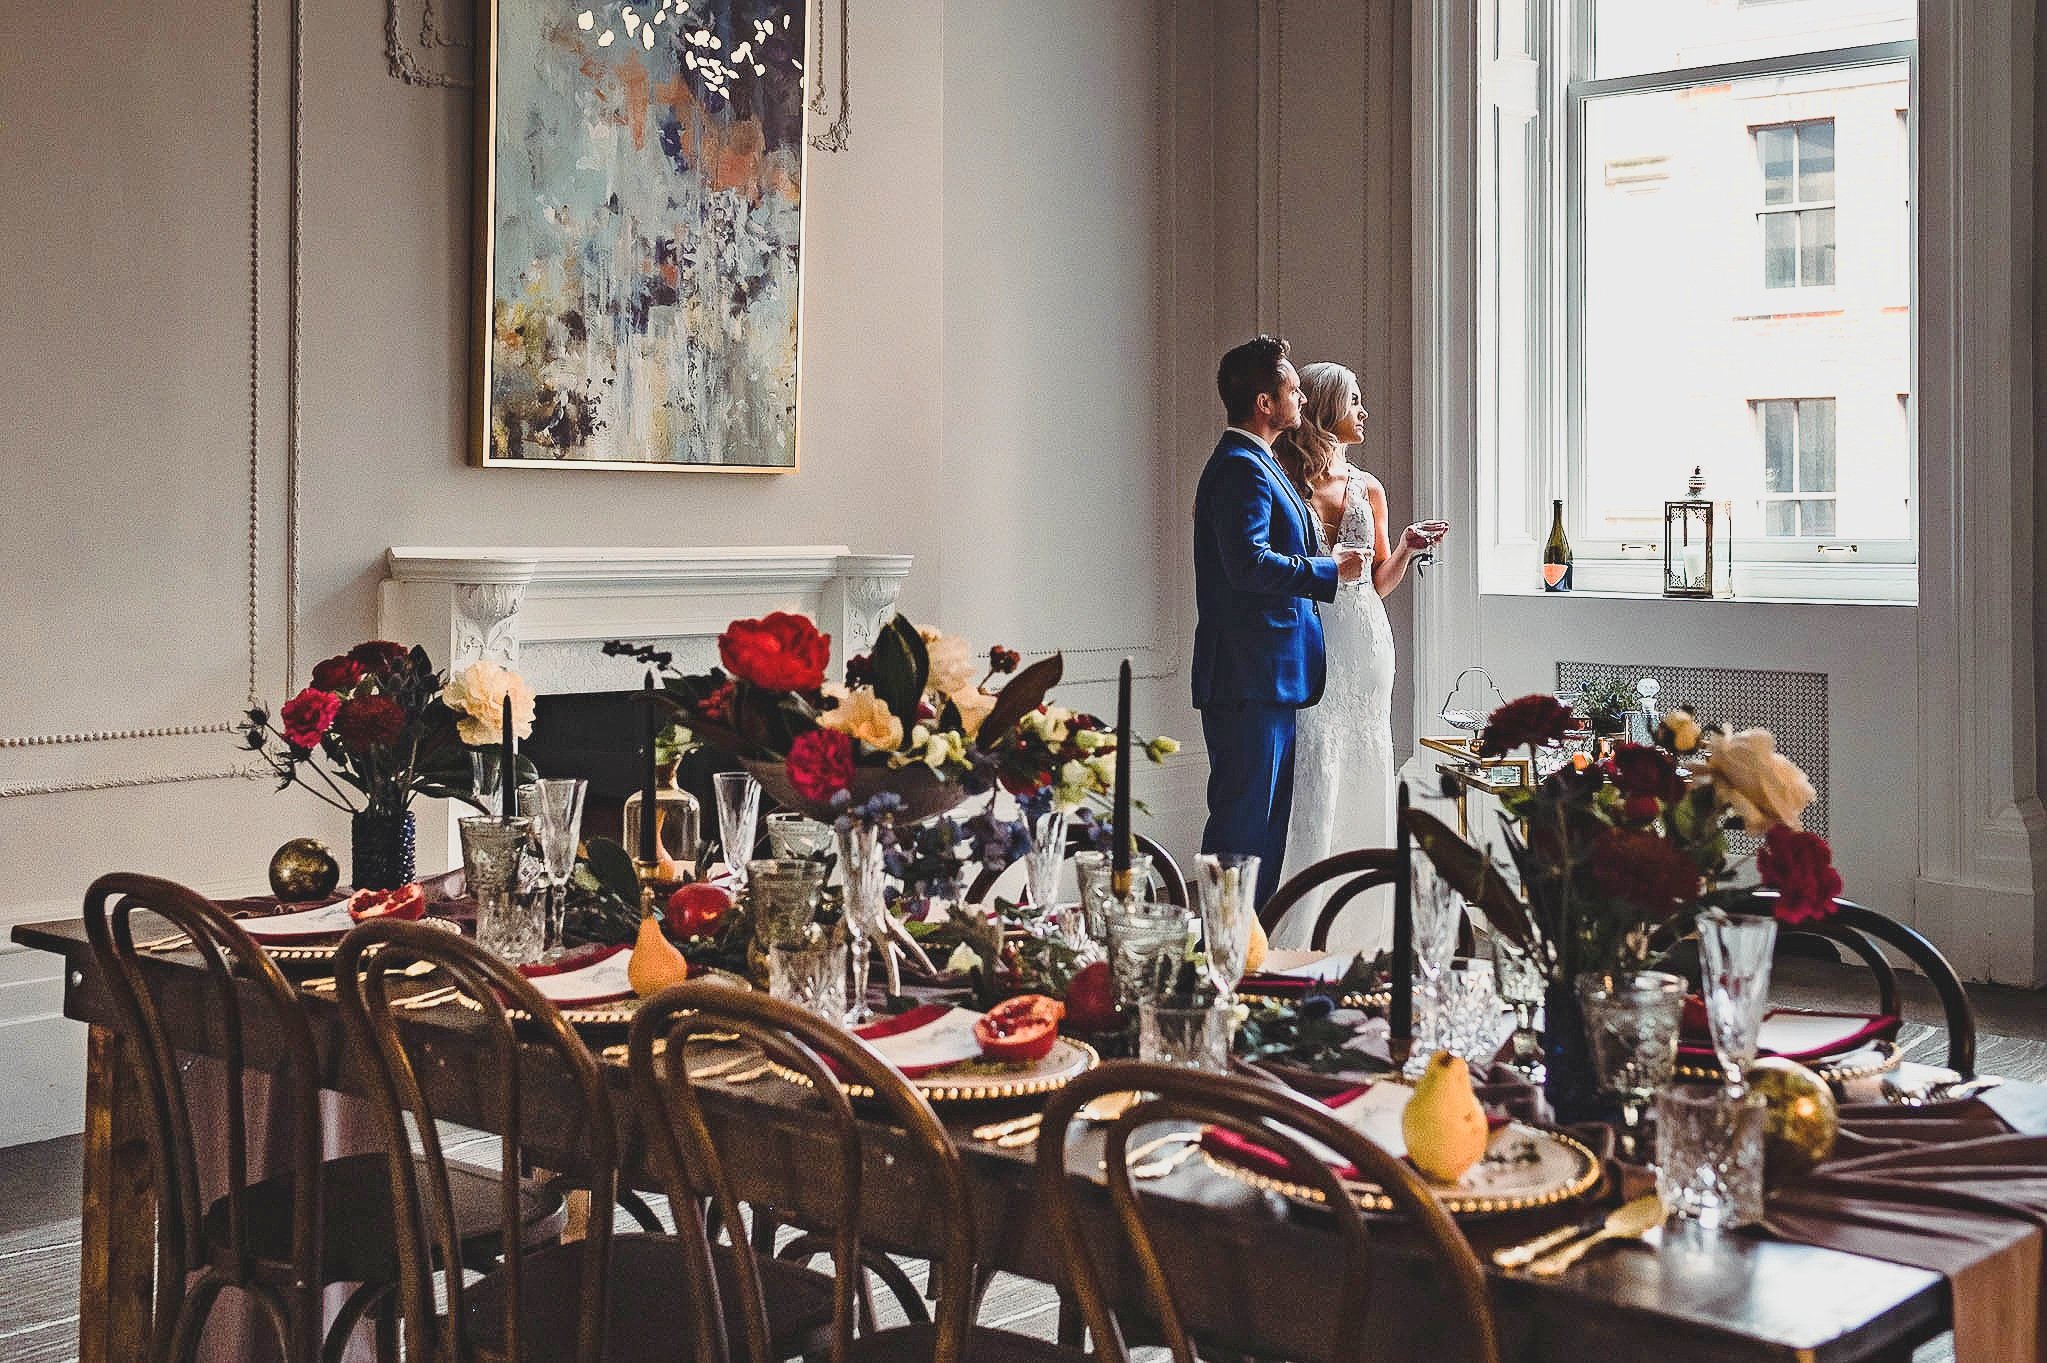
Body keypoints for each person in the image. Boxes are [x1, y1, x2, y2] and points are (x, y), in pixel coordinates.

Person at [1269, 361, 1448, 951]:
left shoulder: (1369, 488)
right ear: (1324, 410)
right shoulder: (1285, 479)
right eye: (1353, 402)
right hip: (1310, 634)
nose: (1363, 412)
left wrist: (1406, 548)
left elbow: (1377, 581)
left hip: (1365, 638)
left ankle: (1366, 926)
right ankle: (1300, 920)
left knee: (1368, 759)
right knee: (1318, 761)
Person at [1192, 337, 1369, 908]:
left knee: (1264, 837)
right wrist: (1328, 569)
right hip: (1249, 677)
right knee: (1241, 837)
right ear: (1266, 402)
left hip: (1272, 677)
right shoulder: (1241, 468)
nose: (1299, 395)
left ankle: (1246, 961)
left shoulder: (1260, 463)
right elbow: (1247, 565)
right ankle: (1220, 964)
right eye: (1292, 387)